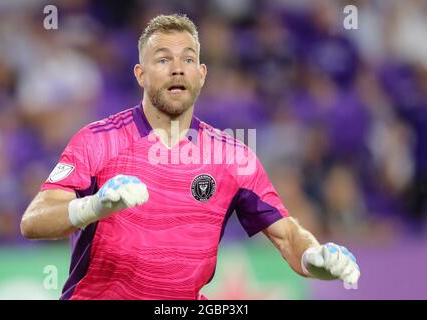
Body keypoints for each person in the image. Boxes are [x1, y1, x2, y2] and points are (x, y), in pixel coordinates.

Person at [20, 14, 360, 300]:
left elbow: (287, 235)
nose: (177, 69)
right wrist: (94, 207)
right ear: (141, 74)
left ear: (202, 74)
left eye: (188, 59)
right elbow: (33, 221)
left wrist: (315, 258)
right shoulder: (97, 140)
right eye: (164, 59)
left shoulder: (231, 156)